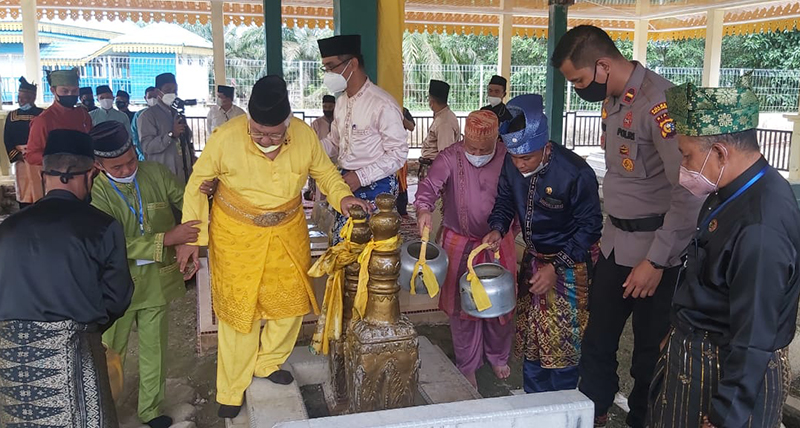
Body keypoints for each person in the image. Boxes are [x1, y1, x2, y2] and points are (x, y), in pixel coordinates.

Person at [178, 75, 369, 419]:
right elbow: (197, 185)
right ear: (248, 121)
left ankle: (267, 362)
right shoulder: (225, 137)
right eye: (258, 132)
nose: (265, 139)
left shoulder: (305, 136)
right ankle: (232, 388)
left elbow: (326, 175)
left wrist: (345, 198)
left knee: (291, 305)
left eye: (274, 134)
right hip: (236, 234)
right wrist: (194, 238)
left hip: (286, 231)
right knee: (241, 313)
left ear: (287, 123)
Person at [551, 25, 704, 428]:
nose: (578, 88)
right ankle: (593, 415)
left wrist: (656, 262)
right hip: (616, 244)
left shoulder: (664, 102)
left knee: (649, 356)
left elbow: (688, 192)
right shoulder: (616, 98)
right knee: (597, 342)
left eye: (579, 80)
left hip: (657, 252)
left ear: (603, 65)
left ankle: (643, 421)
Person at [647, 82, 800, 428]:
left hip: (727, 372)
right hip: (696, 351)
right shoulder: (730, 191)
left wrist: (726, 414)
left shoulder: (761, 224)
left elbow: (755, 333)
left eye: (686, 155)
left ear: (719, 152)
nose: (682, 165)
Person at [0, 129, 133, 428]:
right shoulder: (101, 226)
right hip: (74, 352)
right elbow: (118, 297)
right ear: (87, 175)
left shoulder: (7, 230)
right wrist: (86, 330)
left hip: (11, 359)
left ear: (45, 174)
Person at [482, 94, 602, 394]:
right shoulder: (512, 166)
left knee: (563, 352)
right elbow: (505, 201)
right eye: (514, 157)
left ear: (546, 147)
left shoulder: (576, 173)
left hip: (570, 268)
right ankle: (534, 409)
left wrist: (556, 267)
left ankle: (563, 412)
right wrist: (498, 228)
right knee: (532, 347)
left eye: (527, 158)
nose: (520, 165)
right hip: (534, 263)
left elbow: (591, 228)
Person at [89, 121, 198, 428]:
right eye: (117, 167)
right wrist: (168, 239)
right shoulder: (96, 193)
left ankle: (150, 410)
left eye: (130, 161)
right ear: (99, 165)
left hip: (156, 283)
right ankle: (104, 410)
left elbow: (188, 202)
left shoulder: (156, 174)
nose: (126, 169)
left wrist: (189, 237)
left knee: (155, 350)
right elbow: (110, 244)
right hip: (116, 288)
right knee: (111, 354)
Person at [414, 110, 517, 388]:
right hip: (459, 240)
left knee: (500, 305)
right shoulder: (450, 156)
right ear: (464, 140)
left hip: (498, 240)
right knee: (463, 309)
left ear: (496, 141)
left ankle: (497, 355)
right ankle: (468, 362)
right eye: (472, 148)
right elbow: (429, 186)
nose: (478, 154)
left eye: (485, 149)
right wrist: (423, 209)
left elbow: (520, 194)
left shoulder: (508, 157)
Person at [317, 34, 409, 244]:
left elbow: (398, 153)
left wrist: (361, 177)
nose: (328, 74)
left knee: (371, 256)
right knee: (343, 249)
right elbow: (334, 142)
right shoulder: (340, 103)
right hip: (346, 185)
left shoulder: (382, 104)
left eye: (331, 66)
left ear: (353, 64)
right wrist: (307, 150)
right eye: (325, 68)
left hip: (378, 187)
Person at [25, 68, 93, 204]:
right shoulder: (43, 121)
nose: (70, 95)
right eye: (65, 91)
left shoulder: (83, 115)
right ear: (53, 90)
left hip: (85, 179)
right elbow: (31, 155)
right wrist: (63, 160)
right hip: (59, 182)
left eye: (74, 91)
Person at [137, 72, 195, 184]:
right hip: (163, 177)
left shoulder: (177, 113)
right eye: (168, 90)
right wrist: (171, 134)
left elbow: (187, 139)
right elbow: (148, 147)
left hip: (184, 174)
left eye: (175, 91)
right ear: (158, 91)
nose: (172, 94)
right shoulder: (148, 116)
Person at [3, 76, 43, 209]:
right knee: (24, 188)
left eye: (24, 97)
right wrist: (17, 155)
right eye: (19, 97)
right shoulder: (12, 116)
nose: (21, 100)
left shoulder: (42, 114)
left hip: (38, 158)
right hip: (21, 159)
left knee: (40, 189)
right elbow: (7, 138)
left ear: (32, 98)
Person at [419, 79, 460, 181]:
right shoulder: (442, 116)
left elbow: (445, 155)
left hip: (436, 171)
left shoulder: (444, 122)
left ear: (432, 102)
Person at [305, 94, 337, 201]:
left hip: (337, 162)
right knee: (321, 194)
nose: (327, 110)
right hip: (321, 162)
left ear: (335, 107)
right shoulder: (316, 124)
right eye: (325, 107)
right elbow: (312, 144)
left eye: (330, 107)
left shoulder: (339, 122)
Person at [397, 107, 416, 217]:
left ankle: (402, 209)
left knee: (401, 183)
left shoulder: (403, 111)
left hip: (399, 154)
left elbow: (411, 127)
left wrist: (400, 117)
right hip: (381, 154)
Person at [131, 86, 158, 161]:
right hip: (144, 155)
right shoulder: (139, 115)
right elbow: (134, 136)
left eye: (155, 96)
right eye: (150, 97)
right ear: (145, 98)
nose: (152, 99)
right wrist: (141, 153)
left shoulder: (165, 114)